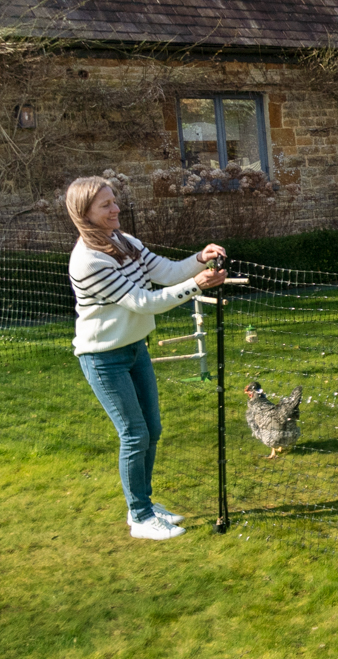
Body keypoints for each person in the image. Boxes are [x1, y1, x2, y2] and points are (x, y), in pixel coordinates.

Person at [65, 175, 228, 540]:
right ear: (84, 213)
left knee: (152, 429)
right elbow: (143, 302)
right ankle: (139, 518)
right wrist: (197, 285)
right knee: (134, 434)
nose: (115, 208)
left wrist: (199, 259)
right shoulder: (88, 260)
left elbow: (166, 271)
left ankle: (144, 504)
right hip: (103, 358)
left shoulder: (123, 241)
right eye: (105, 205)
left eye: (114, 201)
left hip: (135, 348)